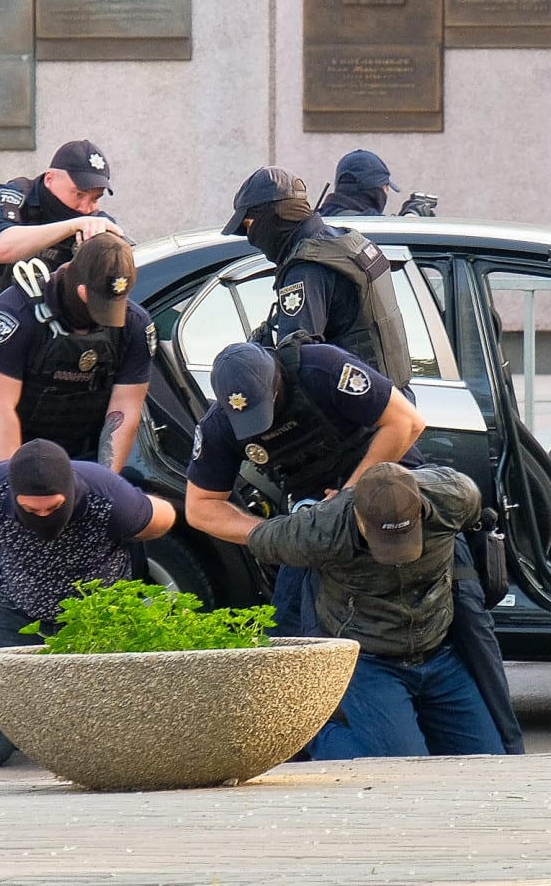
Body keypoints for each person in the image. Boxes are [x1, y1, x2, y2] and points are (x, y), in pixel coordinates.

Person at [184, 340, 525, 754]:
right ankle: (303, 735)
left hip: (399, 499)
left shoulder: (323, 369)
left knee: (470, 624)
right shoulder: (221, 424)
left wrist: (349, 498)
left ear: (276, 383)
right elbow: (201, 509)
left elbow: (406, 423)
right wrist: (300, 527)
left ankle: (502, 745)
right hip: (318, 528)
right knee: (296, 644)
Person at [0, 232, 156, 767]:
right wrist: (16, 496)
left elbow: (123, 413)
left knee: (121, 582)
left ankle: (118, 718)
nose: (105, 316)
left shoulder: (133, 325)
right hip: (11, 464)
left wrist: (96, 492)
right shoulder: (18, 311)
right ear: (74, 281)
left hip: (83, 470)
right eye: (97, 303)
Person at [191, 460, 505, 760]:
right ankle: (310, 729)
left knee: (492, 762)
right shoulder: (321, 528)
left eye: (404, 536)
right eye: (383, 540)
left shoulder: (454, 496)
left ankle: (403, 736)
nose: (395, 553)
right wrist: (202, 502)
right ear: (356, 515)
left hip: (438, 654)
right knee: (402, 774)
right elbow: (251, 534)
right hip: (369, 663)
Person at [0, 439, 175, 767]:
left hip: (96, 614)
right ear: (13, 496)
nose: (43, 515)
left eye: (53, 508)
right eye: (30, 510)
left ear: (70, 493)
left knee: (108, 743)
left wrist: (136, 518)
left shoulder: (109, 498)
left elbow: (165, 517)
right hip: (19, 609)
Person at [221, 165, 411, 385]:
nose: (250, 237)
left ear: (273, 216)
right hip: (388, 400)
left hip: (356, 410)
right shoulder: (347, 243)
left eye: (250, 225)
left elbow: (297, 360)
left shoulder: (307, 267)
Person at [0, 138, 124, 314]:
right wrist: (72, 226)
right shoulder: (13, 198)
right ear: (50, 179)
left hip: (57, 332)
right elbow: (0, 250)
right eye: (79, 195)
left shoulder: (94, 223)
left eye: (95, 199)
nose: (86, 208)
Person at [319, 149, 402, 217]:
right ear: (376, 191)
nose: (387, 192)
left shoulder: (314, 223)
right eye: (386, 187)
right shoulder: (377, 229)